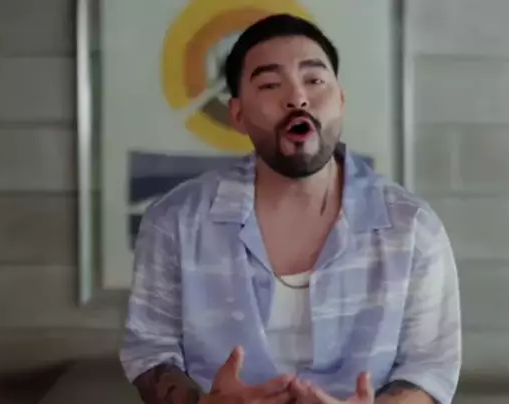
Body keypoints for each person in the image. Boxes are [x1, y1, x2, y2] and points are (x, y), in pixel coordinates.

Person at [120, 13, 461, 404]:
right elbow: (150, 349)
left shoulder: (412, 227)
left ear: (341, 100)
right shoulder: (175, 221)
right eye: (269, 84)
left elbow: (428, 369)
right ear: (238, 115)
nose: (297, 98)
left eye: (314, 80)